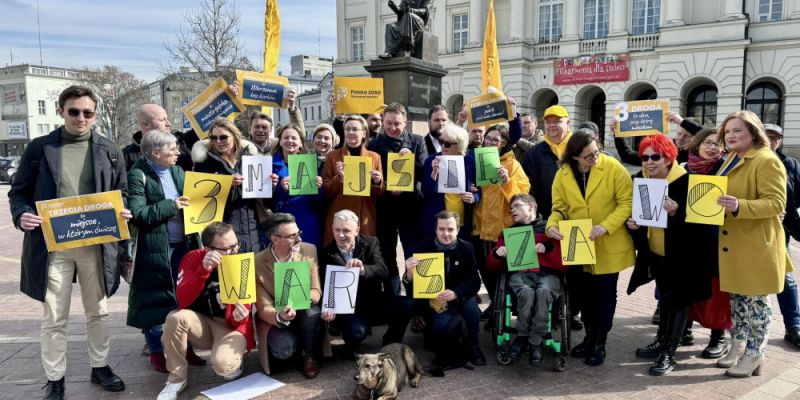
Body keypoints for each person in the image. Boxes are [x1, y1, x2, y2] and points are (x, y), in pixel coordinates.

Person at [9, 85, 129, 399]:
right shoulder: (39, 149)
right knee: (54, 315)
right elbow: (18, 193)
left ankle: (100, 366)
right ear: (61, 111)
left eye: (87, 112)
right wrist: (22, 214)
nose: (80, 117)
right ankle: (55, 378)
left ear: (95, 114)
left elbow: (122, 191)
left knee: (98, 311)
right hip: (53, 246)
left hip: (95, 244)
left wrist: (123, 210)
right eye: (73, 111)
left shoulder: (110, 150)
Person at [625, 135, 714, 376]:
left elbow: (704, 226)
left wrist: (677, 212)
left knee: (679, 303)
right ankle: (662, 339)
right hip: (657, 254)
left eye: (656, 157)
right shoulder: (643, 181)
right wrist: (633, 225)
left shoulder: (689, 182)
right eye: (645, 157)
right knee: (665, 300)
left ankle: (669, 352)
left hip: (685, 257)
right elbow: (644, 221)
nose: (649, 162)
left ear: (669, 157)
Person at [713, 110, 792, 377]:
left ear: (753, 132)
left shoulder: (766, 160)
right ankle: (738, 346)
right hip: (734, 241)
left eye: (738, 131)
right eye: (728, 131)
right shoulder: (732, 158)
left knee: (757, 302)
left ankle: (755, 354)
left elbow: (776, 203)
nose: (731, 135)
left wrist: (739, 206)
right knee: (738, 301)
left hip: (757, 245)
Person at [546, 130, 635, 366]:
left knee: (604, 296)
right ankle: (588, 336)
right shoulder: (562, 174)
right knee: (582, 297)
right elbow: (559, 208)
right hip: (577, 243)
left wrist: (606, 226)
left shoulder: (613, 167)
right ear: (574, 156)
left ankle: (600, 342)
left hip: (607, 242)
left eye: (596, 152)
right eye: (588, 156)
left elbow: (627, 202)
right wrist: (552, 225)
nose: (594, 158)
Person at [126, 129, 204, 372]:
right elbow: (138, 214)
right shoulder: (138, 175)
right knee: (156, 299)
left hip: (184, 244)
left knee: (185, 296)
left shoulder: (177, 170)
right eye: (172, 150)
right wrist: (171, 205)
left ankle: (186, 346)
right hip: (155, 249)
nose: (178, 153)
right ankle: (158, 351)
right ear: (155, 152)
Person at [156, 222, 255, 400]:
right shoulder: (192, 258)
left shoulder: (241, 261)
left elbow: (242, 316)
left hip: (229, 326)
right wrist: (203, 269)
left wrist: (240, 317)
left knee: (225, 368)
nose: (234, 251)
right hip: (200, 322)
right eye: (227, 248)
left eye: (235, 245)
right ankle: (177, 379)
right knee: (174, 318)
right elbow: (183, 299)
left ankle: (234, 361)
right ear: (208, 249)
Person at [320, 210, 413, 356]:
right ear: (332, 228)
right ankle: (351, 346)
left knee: (407, 305)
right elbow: (323, 285)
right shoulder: (325, 253)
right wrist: (328, 307)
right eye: (337, 230)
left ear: (357, 230)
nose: (341, 235)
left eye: (346, 230)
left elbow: (383, 270)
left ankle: (390, 342)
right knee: (357, 332)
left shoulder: (370, 243)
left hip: (372, 302)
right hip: (347, 310)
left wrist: (363, 269)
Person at [486, 194, 565, 365]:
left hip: (548, 274)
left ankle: (534, 340)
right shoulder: (508, 233)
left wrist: (549, 248)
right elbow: (491, 266)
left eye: (516, 206)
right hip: (521, 275)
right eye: (511, 207)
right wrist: (497, 254)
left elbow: (564, 265)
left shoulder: (549, 230)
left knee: (543, 291)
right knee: (527, 292)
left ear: (531, 206)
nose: (512, 210)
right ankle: (523, 337)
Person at [403, 211, 485, 367]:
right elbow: (410, 285)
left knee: (471, 307)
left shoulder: (467, 248)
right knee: (437, 336)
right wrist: (409, 273)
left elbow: (474, 280)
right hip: (435, 303)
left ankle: (473, 345)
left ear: (457, 230)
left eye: (450, 229)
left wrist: (456, 293)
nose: (446, 233)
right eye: (441, 229)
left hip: (458, 298)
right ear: (435, 229)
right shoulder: (422, 249)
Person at [367, 103, 428, 296]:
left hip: (411, 208)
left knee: (414, 254)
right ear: (383, 122)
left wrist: (412, 160)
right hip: (385, 209)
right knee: (387, 255)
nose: (393, 128)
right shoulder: (374, 144)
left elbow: (425, 173)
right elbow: (369, 178)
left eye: (397, 124)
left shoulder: (417, 141)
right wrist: (383, 186)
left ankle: (415, 301)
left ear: (406, 122)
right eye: (389, 124)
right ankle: (393, 299)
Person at [681, 127, 730, 359]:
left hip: (716, 239)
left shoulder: (727, 169)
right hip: (689, 239)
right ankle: (685, 329)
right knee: (689, 285)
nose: (713, 148)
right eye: (708, 143)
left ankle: (718, 336)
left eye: (717, 144)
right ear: (697, 144)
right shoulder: (683, 169)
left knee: (716, 291)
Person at [254, 213, 323, 379]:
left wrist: (302, 300)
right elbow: (263, 306)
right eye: (292, 236)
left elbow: (315, 290)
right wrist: (280, 315)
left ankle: (310, 356)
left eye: (298, 233)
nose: (298, 238)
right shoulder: (257, 262)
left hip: (304, 310)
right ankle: (294, 346)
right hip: (278, 315)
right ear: (275, 239)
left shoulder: (309, 250)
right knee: (283, 350)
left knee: (311, 312)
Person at [473, 123, 531, 305]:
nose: (490, 142)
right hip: (482, 228)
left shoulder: (513, 164)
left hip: (507, 229)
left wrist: (507, 181)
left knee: (513, 276)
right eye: (488, 138)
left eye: (495, 140)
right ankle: (496, 306)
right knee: (487, 273)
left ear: (504, 142)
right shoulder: (477, 160)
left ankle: (512, 309)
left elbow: (523, 196)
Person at [191, 118, 266, 253]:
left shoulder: (251, 158)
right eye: (214, 138)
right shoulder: (204, 163)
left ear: (235, 136)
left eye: (223, 137)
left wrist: (270, 184)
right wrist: (225, 184)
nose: (218, 142)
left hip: (253, 229)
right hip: (223, 236)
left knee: (253, 272)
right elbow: (199, 202)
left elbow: (263, 200)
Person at [763, 124, 800, 349]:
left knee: (785, 277)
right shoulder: (741, 160)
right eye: (766, 136)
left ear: (781, 141)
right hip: (748, 230)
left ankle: (793, 326)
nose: (770, 140)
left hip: (780, 229)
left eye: (775, 137)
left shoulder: (790, 164)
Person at [322, 115, 384, 245]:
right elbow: (326, 191)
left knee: (362, 258)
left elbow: (378, 194)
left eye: (355, 129)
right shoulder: (333, 156)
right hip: (339, 215)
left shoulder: (374, 157)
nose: (350, 132)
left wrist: (377, 182)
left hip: (364, 217)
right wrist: (339, 177)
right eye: (347, 129)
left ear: (363, 133)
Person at [270, 124, 325, 248]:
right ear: (280, 142)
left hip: (308, 222)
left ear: (301, 143)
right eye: (286, 138)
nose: (290, 141)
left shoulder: (311, 164)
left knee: (308, 260)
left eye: (294, 138)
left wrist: (319, 188)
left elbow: (320, 202)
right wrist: (281, 189)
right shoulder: (271, 165)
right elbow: (266, 202)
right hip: (283, 224)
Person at [421, 124, 479, 239]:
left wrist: (474, 197)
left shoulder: (470, 162)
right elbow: (426, 192)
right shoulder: (431, 160)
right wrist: (434, 174)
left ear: (460, 145)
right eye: (441, 141)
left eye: (447, 144)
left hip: (462, 222)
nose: (443, 146)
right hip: (439, 222)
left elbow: (479, 189)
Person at [612, 112, 702, 166]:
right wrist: (617, 134)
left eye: (687, 136)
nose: (681, 138)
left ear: (696, 137)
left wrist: (682, 122)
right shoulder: (665, 147)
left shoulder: (703, 153)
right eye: (679, 133)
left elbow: (708, 133)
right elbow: (628, 157)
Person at [123, 104, 192, 171]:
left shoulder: (181, 140)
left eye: (167, 119)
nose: (168, 123)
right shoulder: (127, 157)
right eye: (162, 120)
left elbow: (201, 129)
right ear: (146, 125)